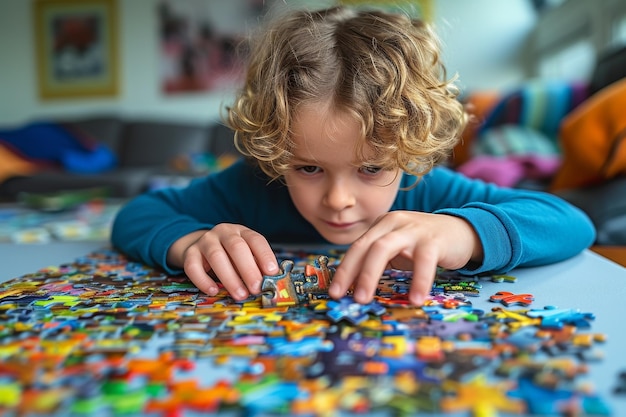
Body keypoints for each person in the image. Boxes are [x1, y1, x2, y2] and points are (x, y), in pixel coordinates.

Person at [111, 5, 595, 306]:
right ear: (276, 151)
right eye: (308, 168)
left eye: (370, 168)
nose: (339, 199)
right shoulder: (251, 185)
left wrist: (465, 231)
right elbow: (138, 215)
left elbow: (571, 222)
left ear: (408, 153)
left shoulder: (427, 190)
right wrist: (190, 241)